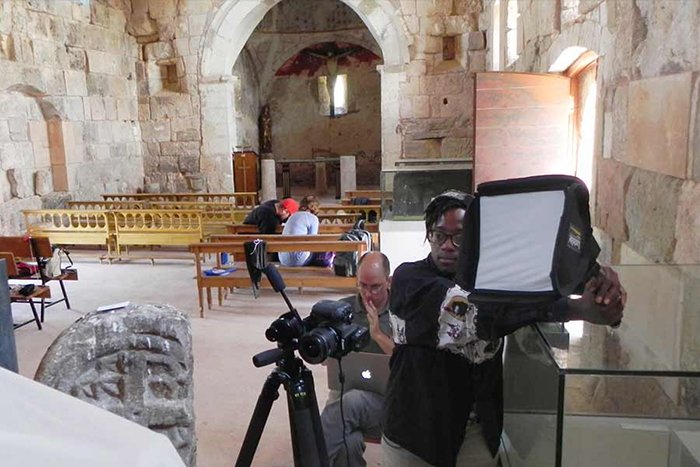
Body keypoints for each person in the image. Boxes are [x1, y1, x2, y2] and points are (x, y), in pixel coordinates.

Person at [382, 191, 626, 467]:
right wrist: (574, 309)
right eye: (438, 235)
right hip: (415, 436)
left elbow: (535, 284)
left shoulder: (491, 282)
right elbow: (469, 311)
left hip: (476, 434)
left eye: (460, 237)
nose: (447, 246)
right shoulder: (408, 279)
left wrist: (597, 284)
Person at [321, 251, 394, 467]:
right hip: (345, 392)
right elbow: (325, 360)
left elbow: (408, 362)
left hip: (388, 402)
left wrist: (378, 335)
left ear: (388, 281)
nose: (367, 294)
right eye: (362, 285)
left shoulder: (403, 310)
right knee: (347, 443)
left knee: (350, 403)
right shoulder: (342, 310)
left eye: (375, 287)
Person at [279, 195, 322, 267]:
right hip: (298, 260)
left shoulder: (292, 216)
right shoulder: (313, 218)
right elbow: (313, 241)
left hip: (283, 259)